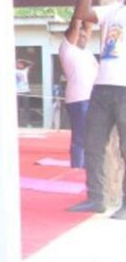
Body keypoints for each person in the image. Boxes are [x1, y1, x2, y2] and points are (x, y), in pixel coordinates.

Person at [67, 0, 126, 218]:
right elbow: (81, 14)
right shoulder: (112, 10)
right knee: (92, 143)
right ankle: (96, 198)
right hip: (102, 87)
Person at [58, 17, 97, 169]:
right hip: (79, 99)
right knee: (80, 137)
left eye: (85, 35)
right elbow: (76, 24)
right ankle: (77, 169)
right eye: (80, 35)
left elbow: (89, 26)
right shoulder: (68, 49)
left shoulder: (87, 52)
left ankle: (87, 166)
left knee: (92, 136)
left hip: (93, 98)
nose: (84, 37)